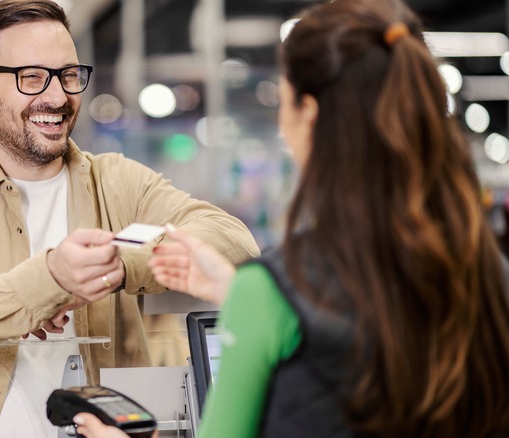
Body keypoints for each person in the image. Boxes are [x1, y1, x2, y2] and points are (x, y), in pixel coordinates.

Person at [73, 0, 509, 437]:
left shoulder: (272, 291)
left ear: (310, 114)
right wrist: (236, 291)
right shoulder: (486, 269)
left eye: (284, 101)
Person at [0, 1, 259, 437]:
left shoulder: (118, 181)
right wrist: (48, 282)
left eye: (67, 75)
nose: (58, 96)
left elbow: (234, 242)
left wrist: (123, 266)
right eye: (31, 77)